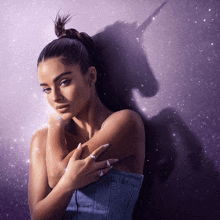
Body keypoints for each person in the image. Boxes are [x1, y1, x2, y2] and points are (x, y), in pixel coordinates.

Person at [28, 14, 145, 220]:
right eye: (46, 89)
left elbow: (57, 175)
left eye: (64, 82)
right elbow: (38, 216)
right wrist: (55, 124)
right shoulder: (41, 140)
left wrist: (55, 123)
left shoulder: (126, 123)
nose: (55, 97)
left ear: (90, 76)